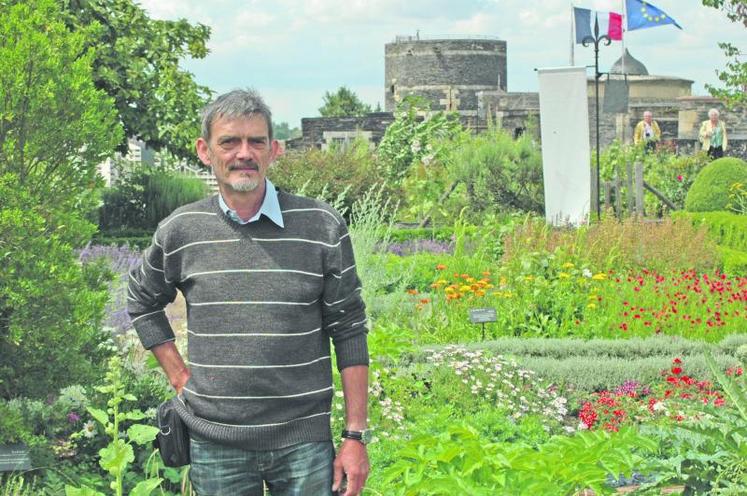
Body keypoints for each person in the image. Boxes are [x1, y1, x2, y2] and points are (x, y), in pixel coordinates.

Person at [127, 89, 370, 496]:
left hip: (303, 442)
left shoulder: (320, 225)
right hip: (215, 440)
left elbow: (349, 329)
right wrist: (179, 377)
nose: (244, 153)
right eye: (229, 141)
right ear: (205, 151)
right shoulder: (181, 231)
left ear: (274, 150)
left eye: (256, 141)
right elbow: (141, 301)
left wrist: (355, 436)